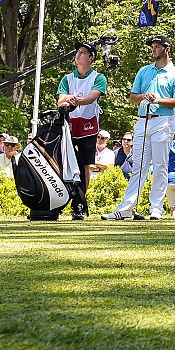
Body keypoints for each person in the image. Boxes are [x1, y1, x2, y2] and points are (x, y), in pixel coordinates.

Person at [103, 36, 175, 221]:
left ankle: (156, 208)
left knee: (160, 167)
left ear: (167, 49)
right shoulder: (144, 71)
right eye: (153, 47)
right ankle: (125, 209)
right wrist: (143, 96)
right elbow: (132, 98)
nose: (153, 49)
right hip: (143, 121)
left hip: (164, 121)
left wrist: (158, 99)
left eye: (157, 46)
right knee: (138, 167)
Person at [56, 41, 107, 220]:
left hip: (88, 126)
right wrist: (73, 99)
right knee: (67, 165)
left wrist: (73, 99)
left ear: (91, 57)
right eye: (77, 51)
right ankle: (65, 199)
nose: (78, 55)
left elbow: (91, 98)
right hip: (69, 126)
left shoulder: (98, 78)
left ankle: (79, 202)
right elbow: (60, 101)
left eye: (83, 52)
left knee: (85, 165)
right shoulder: (67, 78)